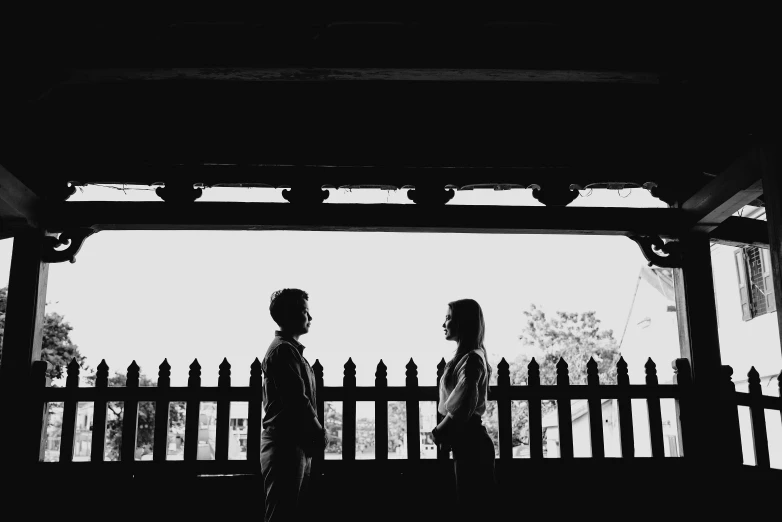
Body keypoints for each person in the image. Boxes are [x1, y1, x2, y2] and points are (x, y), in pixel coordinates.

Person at [260, 288, 329, 522]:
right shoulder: (283, 352)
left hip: (292, 443)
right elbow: (297, 401)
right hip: (285, 444)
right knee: (282, 513)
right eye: (304, 311)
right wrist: (319, 431)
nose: (310, 317)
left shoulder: (290, 350)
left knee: (289, 511)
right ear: (289, 315)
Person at [431, 298, 497, 518]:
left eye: (449, 318)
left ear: (463, 322)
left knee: (472, 509)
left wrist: (440, 430)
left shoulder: (471, 360)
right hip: (468, 442)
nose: (444, 324)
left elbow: (463, 402)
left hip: (471, 443)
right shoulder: (469, 358)